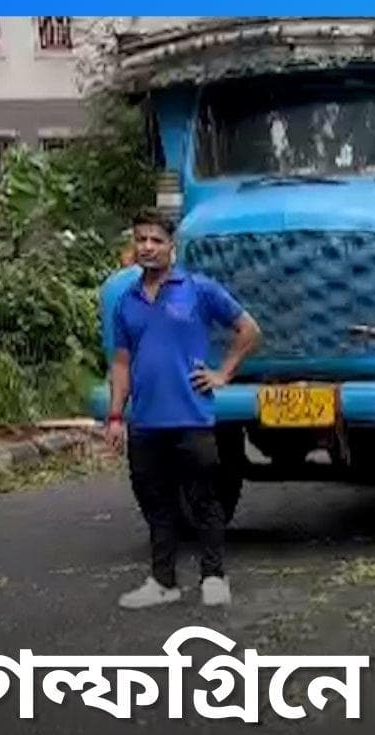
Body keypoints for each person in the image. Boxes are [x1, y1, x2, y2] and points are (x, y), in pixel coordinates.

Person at [104, 210, 260, 610]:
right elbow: (121, 363)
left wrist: (223, 373)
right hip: (145, 422)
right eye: (141, 239)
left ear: (171, 246)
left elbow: (248, 329)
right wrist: (116, 416)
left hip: (191, 417)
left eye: (156, 240)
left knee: (204, 499)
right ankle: (163, 581)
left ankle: (214, 576)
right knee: (155, 503)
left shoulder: (197, 289)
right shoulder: (126, 302)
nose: (148, 247)